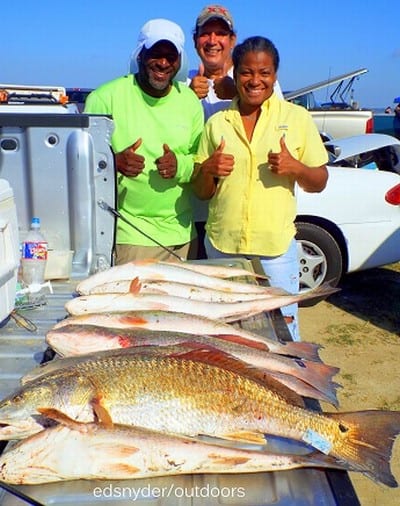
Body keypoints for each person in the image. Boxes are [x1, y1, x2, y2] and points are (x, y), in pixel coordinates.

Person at [192, 36, 329, 341]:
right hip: (223, 248)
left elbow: (319, 181)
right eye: (247, 72)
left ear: (275, 75)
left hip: (275, 252)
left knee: (283, 335)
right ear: (235, 74)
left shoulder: (296, 118)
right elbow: (203, 192)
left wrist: (296, 168)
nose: (255, 81)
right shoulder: (217, 123)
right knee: (226, 332)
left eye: (264, 73)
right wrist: (208, 170)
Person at [84, 19, 204, 264]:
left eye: (171, 56)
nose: (163, 63)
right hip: (129, 236)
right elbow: (79, 166)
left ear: (180, 61)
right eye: (155, 54)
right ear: (139, 55)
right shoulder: (104, 98)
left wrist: (179, 165)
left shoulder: (191, 102)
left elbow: (199, 163)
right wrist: (113, 162)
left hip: (183, 236)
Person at [188, 5, 284, 257]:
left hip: (245, 218)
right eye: (205, 33)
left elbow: (279, 124)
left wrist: (239, 93)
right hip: (195, 211)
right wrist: (185, 98)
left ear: (232, 40)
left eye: (220, 33)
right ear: (195, 40)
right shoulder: (181, 83)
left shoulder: (255, 80)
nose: (212, 41)